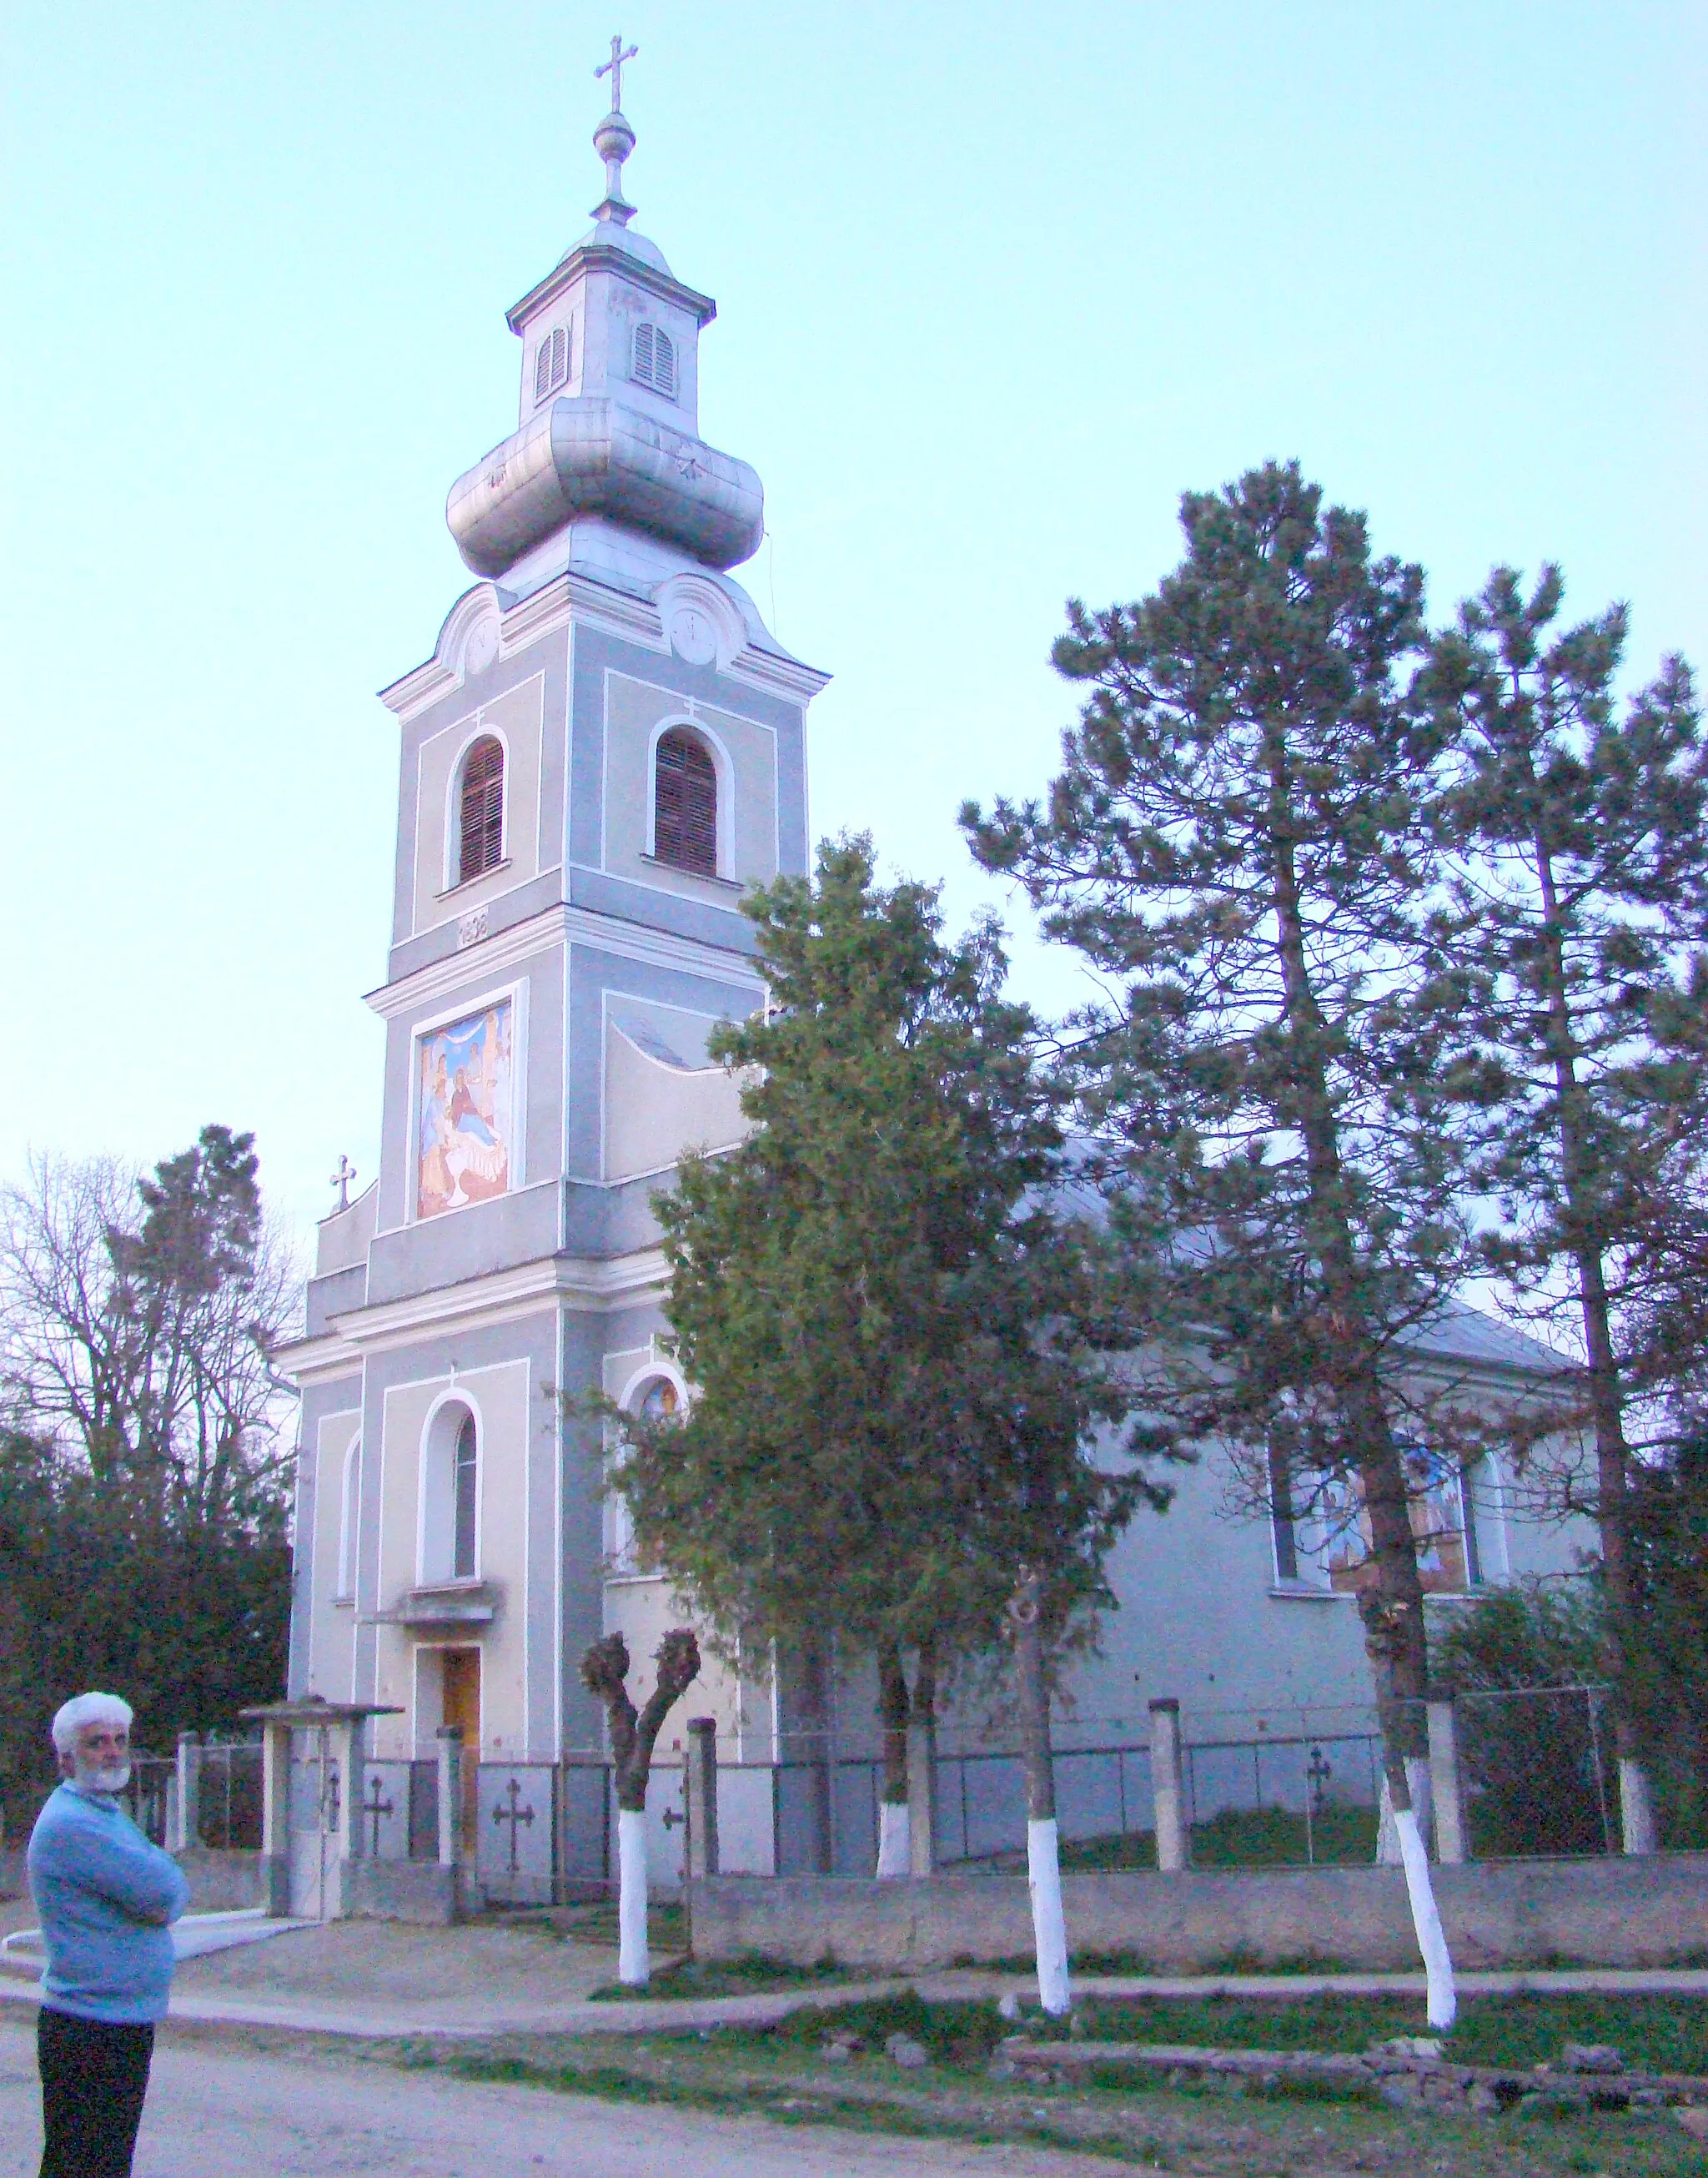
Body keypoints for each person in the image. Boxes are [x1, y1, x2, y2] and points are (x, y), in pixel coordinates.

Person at [27, 1692, 188, 2178]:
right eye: (98, 1743)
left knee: (102, 2165)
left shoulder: (103, 1812)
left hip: (117, 2020)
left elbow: (158, 1886)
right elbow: (167, 1894)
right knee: (84, 2167)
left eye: (120, 1740)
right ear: (67, 1759)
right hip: (91, 2026)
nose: (114, 1752)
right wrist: (165, 1874)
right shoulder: (74, 1824)